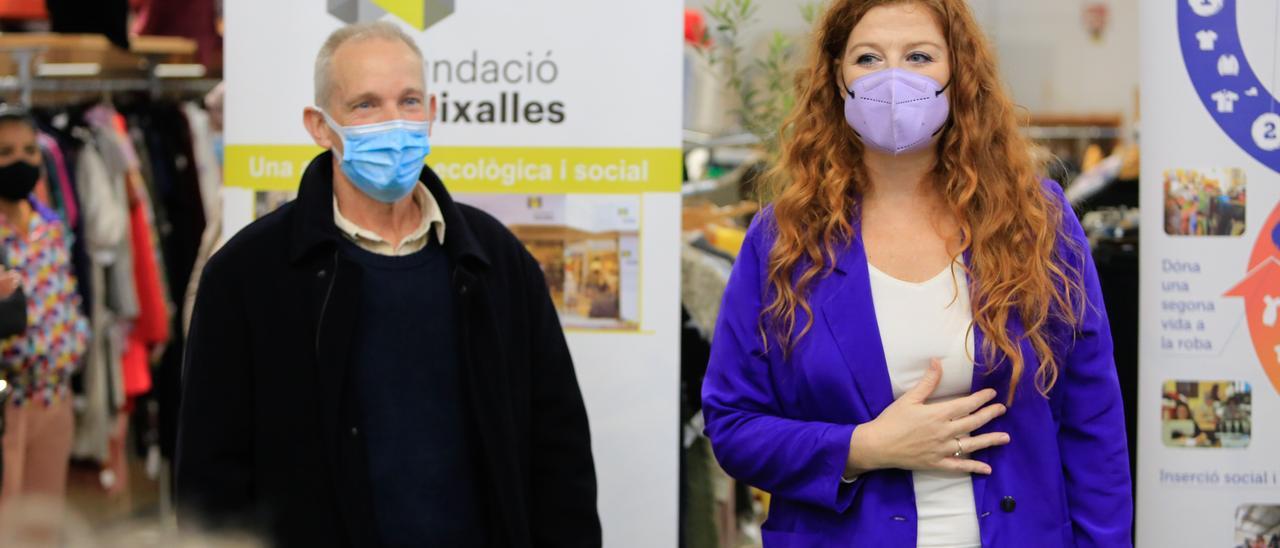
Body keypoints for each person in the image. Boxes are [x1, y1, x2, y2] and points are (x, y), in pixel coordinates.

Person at [701, 1, 1132, 546]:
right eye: (868, 58)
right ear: (837, 77)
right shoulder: (783, 240)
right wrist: (863, 447)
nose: (894, 78)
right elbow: (733, 424)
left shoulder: (1035, 221)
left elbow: (1093, 423)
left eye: (920, 56)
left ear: (959, 72)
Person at [175, 22, 600, 547]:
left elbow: (558, 451)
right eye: (366, 105)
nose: (394, 124)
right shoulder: (246, 276)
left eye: (409, 101)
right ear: (320, 125)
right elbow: (210, 483)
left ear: (433, 113)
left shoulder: (496, 261)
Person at [0, 105, 90, 511]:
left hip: (54, 397)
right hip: (6, 400)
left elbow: (68, 296)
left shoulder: (50, 224)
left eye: (29, 151)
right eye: (5, 153)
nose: (21, 161)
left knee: (42, 524)